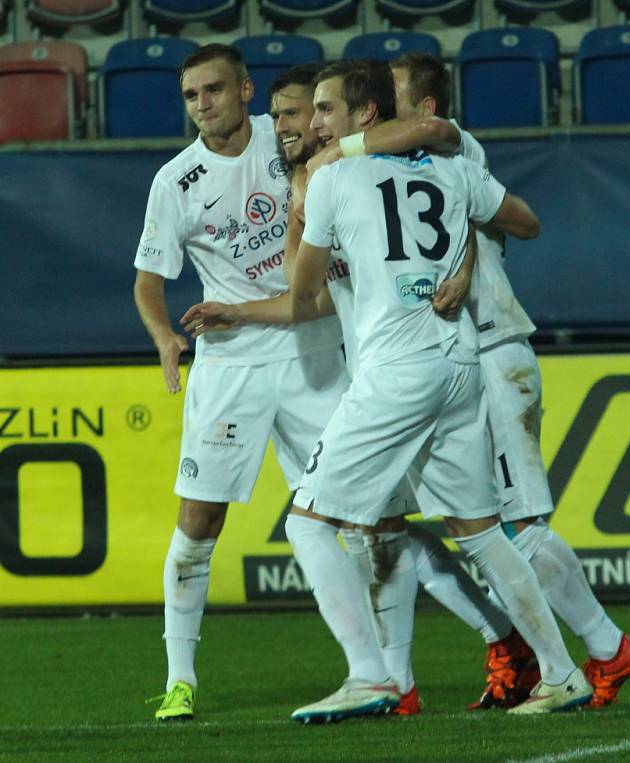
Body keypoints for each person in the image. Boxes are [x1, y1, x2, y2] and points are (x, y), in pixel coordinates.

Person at [184, 62, 538, 715]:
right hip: (400, 369)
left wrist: (461, 265)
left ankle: (403, 670)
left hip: (403, 375)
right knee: (413, 529)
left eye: (305, 112)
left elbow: (310, 283)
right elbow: (309, 297)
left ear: (349, 117)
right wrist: (239, 310)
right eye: (287, 116)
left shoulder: (363, 168)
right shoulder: (331, 182)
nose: (293, 125)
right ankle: (501, 662)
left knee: (353, 525)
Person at [286, 58, 594, 722]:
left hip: (396, 372)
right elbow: (521, 218)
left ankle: (372, 674)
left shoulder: (335, 178)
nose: (314, 122)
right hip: (459, 365)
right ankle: (563, 671)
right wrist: (463, 254)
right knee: (480, 532)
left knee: (306, 521)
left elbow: (302, 288)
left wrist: (299, 206)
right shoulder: (450, 166)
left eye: (326, 109)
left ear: (364, 115)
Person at [388, 52, 630, 710]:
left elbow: (520, 217)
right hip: (453, 366)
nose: (379, 114)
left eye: (391, 101)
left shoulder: (453, 150)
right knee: (468, 526)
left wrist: (470, 265)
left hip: (494, 348)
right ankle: (530, 648)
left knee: (518, 525)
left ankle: (607, 645)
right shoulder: (389, 175)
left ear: (425, 110)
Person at [133, 44, 350, 722]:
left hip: (311, 345)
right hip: (228, 363)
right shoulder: (176, 180)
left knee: (364, 513)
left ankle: (385, 672)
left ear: (246, 90)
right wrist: (165, 335)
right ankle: (180, 678)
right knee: (199, 520)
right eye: (192, 95)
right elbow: (147, 282)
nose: (202, 104)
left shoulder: (287, 141)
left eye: (214, 91)